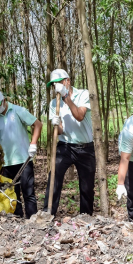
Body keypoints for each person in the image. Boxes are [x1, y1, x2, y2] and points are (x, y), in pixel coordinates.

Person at [44, 69, 95, 216]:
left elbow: (79, 116)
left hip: (85, 147)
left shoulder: (83, 94)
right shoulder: (54, 103)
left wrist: (66, 97)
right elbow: (59, 131)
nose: (56, 86)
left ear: (68, 81)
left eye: (59, 82)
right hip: (64, 146)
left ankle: (86, 217)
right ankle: (48, 213)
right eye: (53, 84)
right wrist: (55, 124)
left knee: (87, 186)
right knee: (54, 178)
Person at [0, 89, 42, 218]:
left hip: (24, 159)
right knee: (11, 194)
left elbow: (38, 124)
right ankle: (17, 220)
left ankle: (32, 219)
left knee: (28, 192)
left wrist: (33, 144)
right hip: (5, 163)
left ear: (4, 101)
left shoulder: (18, 111)